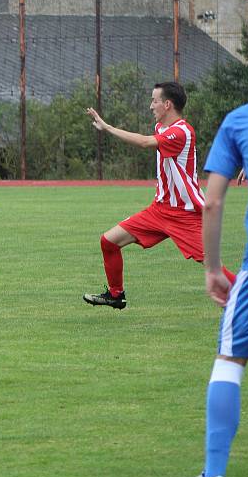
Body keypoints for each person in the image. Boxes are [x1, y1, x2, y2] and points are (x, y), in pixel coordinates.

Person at [82, 81, 235, 311]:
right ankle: (116, 295)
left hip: (185, 215)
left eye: (154, 101)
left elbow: (144, 143)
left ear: (167, 104)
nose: (151, 105)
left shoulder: (182, 131)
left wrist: (108, 127)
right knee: (109, 241)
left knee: (213, 266)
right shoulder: (161, 128)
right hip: (159, 210)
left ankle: (247, 298)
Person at [180, 98, 248, 477]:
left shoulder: (241, 120)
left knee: (231, 359)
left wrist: (212, 269)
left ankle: (213, 476)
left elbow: (211, 201)